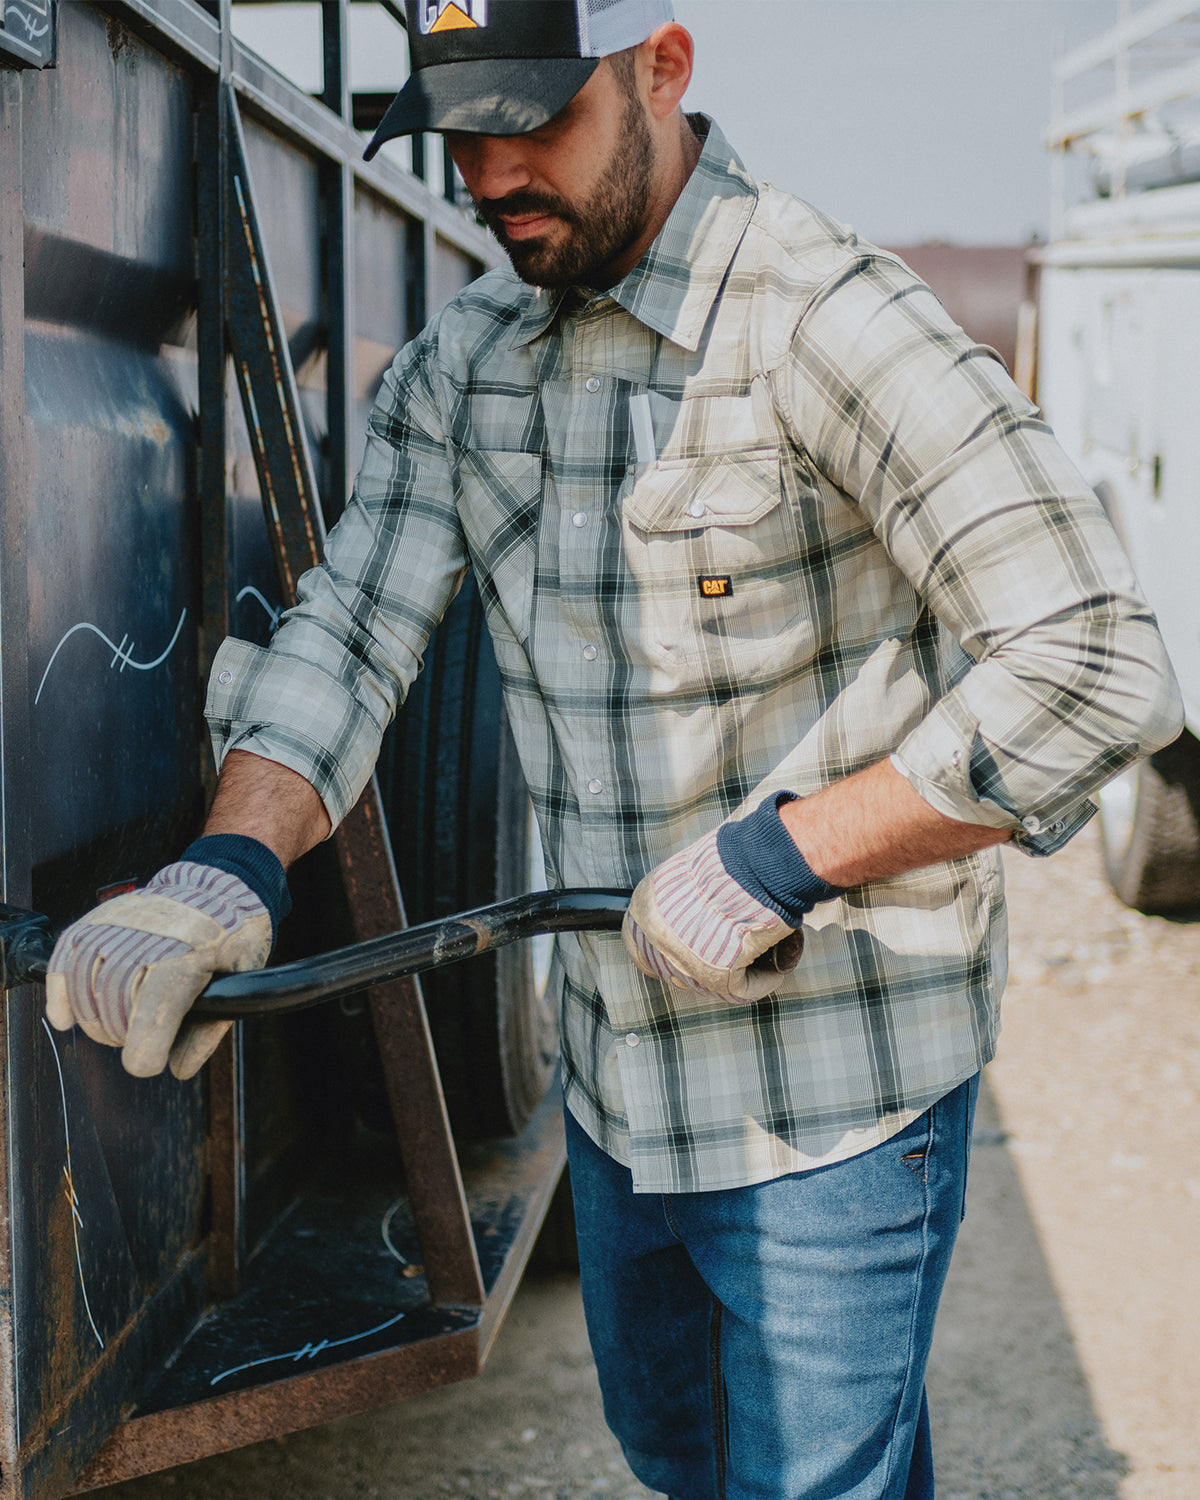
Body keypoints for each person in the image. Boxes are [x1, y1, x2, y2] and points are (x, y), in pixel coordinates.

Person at [45, 2, 1183, 1496]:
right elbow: (352, 633)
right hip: (619, 1093)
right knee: (680, 1459)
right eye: (460, 132)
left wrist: (782, 856)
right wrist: (231, 863)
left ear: (663, 66)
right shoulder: (471, 364)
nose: (491, 174)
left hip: (832, 1103)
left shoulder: (829, 320)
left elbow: (1097, 660)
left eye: (534, 120)